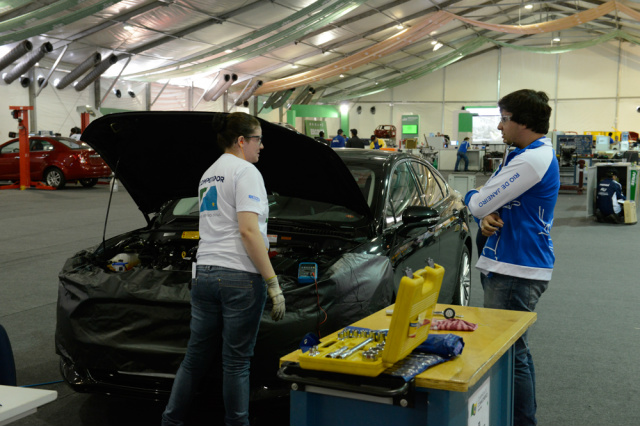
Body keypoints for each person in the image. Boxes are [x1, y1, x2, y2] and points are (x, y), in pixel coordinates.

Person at [161, 112, 286, 426]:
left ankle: (171, 421)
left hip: (204, 273)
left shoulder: (209, 173)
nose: (261, 147)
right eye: (258, 139)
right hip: (239, 278)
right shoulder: (246, 172)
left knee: (194, 359)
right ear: (242, 141)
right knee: (236, 364)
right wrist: (273, 282)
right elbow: (248, 231)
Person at [464, 89, 559, 426]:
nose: (500, 127)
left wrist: (475, 203)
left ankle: (521, 421)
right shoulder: (523, 154)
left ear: (525, 123)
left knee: (510, 355)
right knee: (516, 352)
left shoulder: (531, 159)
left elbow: (478, 200)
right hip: (508, 262)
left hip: (516, 269)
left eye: (504, 119)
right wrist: (482, 214)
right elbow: (488, 206)